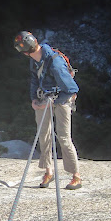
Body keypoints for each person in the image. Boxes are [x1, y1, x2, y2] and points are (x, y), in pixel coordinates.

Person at [14, 30, 82, 190]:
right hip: (44, 98)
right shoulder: (34, 60)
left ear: (25, 52)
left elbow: (71, 89)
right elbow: (34, 79)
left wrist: (51, 104)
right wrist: (34, 99)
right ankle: (48, 171)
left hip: (62, 99)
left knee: (64, 137)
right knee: (43, 135)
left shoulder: (55, 63)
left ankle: (76, 176)